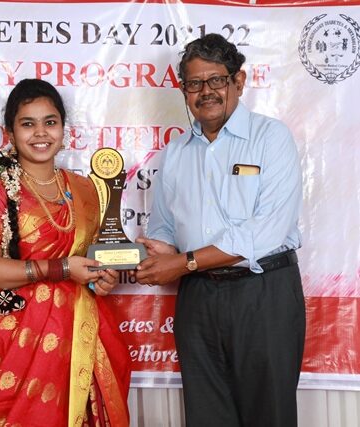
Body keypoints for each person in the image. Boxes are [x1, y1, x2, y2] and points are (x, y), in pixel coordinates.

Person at [135, 34, 305, 427]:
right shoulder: (176, 153)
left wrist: (183, 262)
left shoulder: (271, 137)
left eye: (216, 80)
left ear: (238, 81)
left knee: (270, 416)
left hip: (263, 294)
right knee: (206, 416)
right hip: (198, 300)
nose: (206, 92)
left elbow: (265, 232)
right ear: (184, 91)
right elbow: (164, 227)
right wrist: (145, 255)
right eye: (194, 84)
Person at [0, 78, 131, 426]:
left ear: (63, 130)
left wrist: (102, 278)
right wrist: (63, 269)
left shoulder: (84, 189)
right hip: (13, 344)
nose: (40, 133)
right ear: (10, 133)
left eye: (50, 122)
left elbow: (91, 260)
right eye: (28, 124)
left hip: (77, 335)